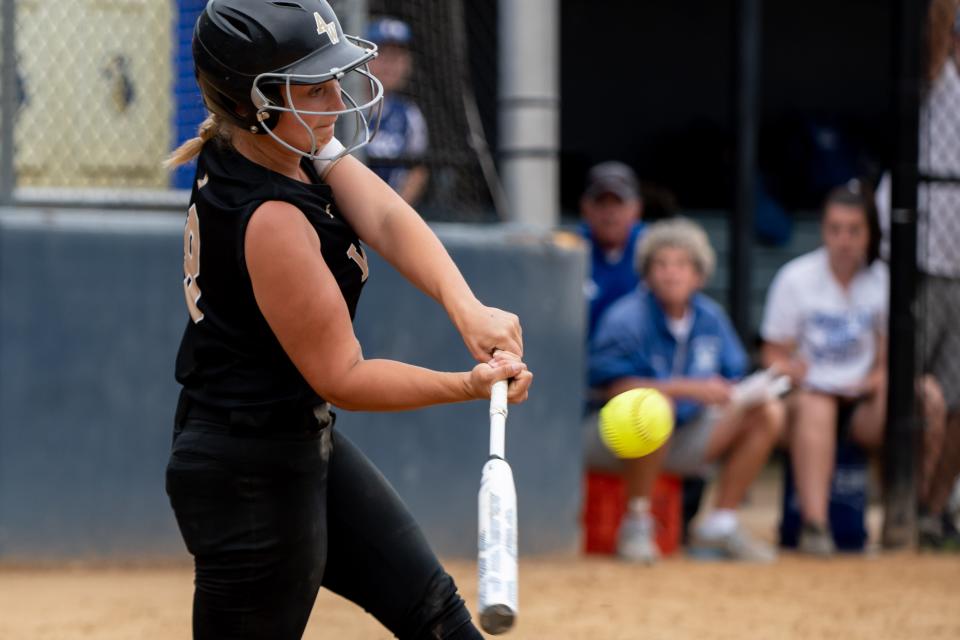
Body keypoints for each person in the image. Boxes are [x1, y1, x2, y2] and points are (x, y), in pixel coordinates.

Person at [162, 2, 533, 639]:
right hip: (247, 476)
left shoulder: (283, 139)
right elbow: (346, 376)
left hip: (296, 441)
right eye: (316, 87)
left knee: (435, 614)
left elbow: (385, 216)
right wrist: (466, 385)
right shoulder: (270, 218)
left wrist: (465, 306)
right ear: (256, 103)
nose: (336, 100)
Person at [762, 181, 946, 556]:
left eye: (854, 230)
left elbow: (888, 357)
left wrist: (876, 380)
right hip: (809, 398)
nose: (844, 240)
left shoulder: (883, 282)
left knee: (928, 396)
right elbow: (772, 353)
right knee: (817, 405)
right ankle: (816, 527)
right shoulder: (795, 278)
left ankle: (913, 516)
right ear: (822, 231)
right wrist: (791, 369)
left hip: (863, 400)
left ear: (870, 233)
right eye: (835, 229)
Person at [588, 218, 784, 564]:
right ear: (646, 274)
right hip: (613, 438)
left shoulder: (711, 317)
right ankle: (636, 523)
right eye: (660, 265)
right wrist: (687, 389)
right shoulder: (626, 317)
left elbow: (733, 373)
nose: (671, 274)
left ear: (699, 274)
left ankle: (721, 524)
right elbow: (609, 388)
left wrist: (732, 393)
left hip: (686, 434)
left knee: (768, 409)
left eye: (681, 265)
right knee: (652, 407)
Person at [364, 17, 430, 206]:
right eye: (382, 54)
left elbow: (418, 170)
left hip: (385, 214)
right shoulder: (340, 107)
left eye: (398, 56)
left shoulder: (409, 115)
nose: (390, 64)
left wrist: (393, 213)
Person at [579, 161, 646, 340]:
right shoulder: (571, 250)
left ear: (636, 209)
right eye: (601, 204)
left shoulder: (653, 249)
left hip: (640, 360)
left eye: (618, 203)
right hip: (581, 360)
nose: (610, 213)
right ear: (586, 208)